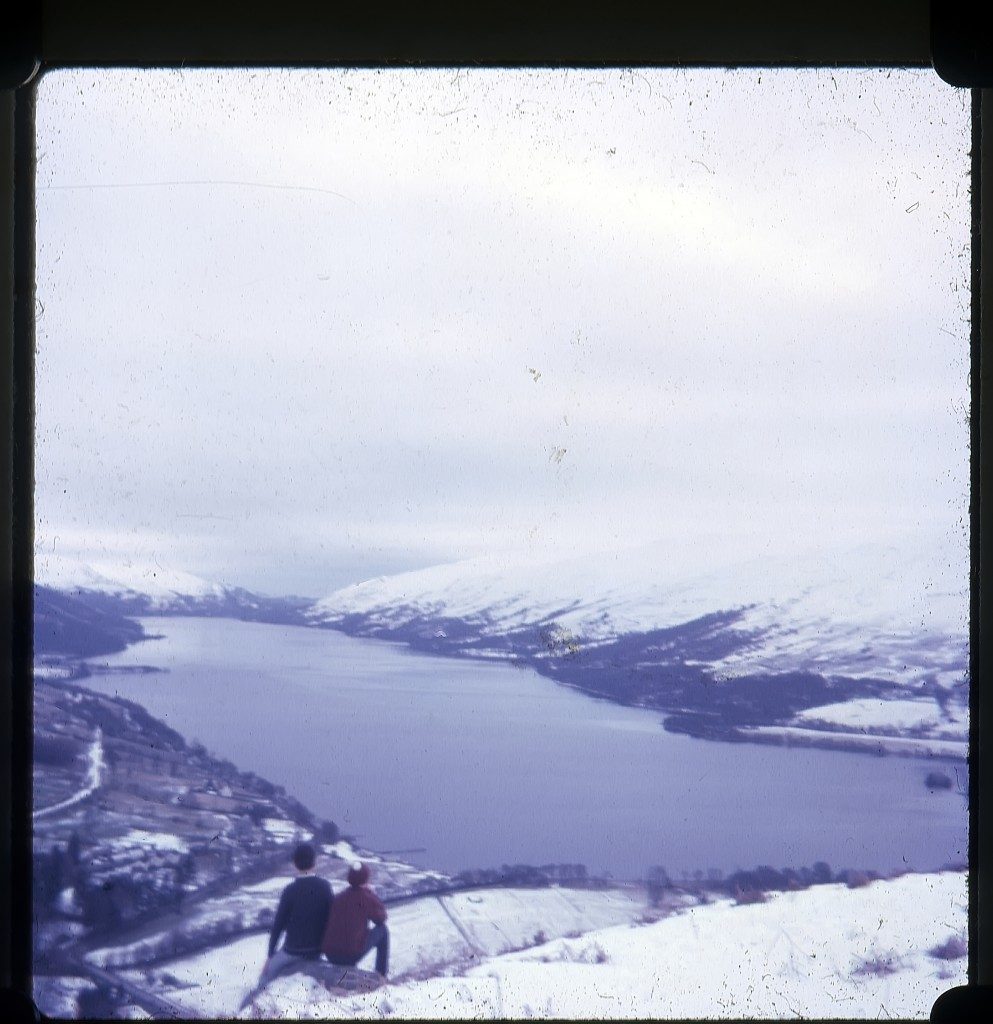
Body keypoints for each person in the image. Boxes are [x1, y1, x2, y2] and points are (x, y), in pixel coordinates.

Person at [243, 842, 333, 1005]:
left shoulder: (289, 890)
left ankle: (252, 1005)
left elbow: (277, 926)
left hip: (293, 950)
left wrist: (270, 957)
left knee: (265, 977)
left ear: (294, 864)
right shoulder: (325, 887)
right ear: (315, 862)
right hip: (317, 951)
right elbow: (332, 920)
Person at [321, 861, 389, 978]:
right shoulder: (366, 897)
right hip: (350, 955)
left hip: (330, 954)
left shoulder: (338, 897)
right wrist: (371, 894)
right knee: (383, 930)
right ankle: (381, 975)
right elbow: (381, 919)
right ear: (366, 880)